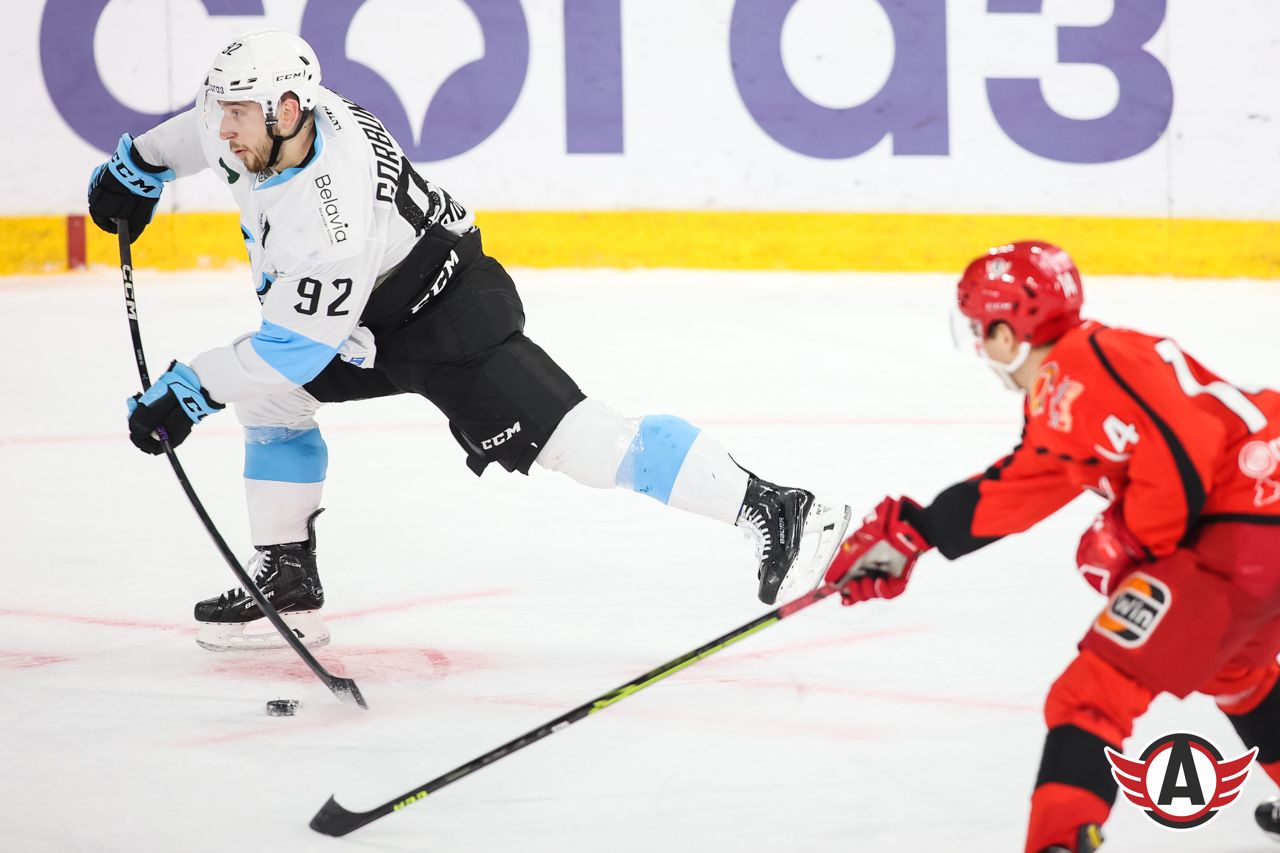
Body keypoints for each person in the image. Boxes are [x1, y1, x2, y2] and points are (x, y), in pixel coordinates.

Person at [87, 29, 849, 652]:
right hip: (366, 321)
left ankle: (778, 507)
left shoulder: (331, 215)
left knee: (589, 446)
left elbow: (295, 349)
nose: (224, 129)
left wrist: (189, 390)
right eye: (222, 110)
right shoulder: (269, 121)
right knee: (271, 401)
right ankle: (288, 579)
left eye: (237, 115)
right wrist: (140, 164)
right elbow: (198, 133)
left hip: (447, 315)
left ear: (287, 110)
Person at [823, 241, 1280, 852]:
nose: (981, 347)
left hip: (1247, 524)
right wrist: (918, 532)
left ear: (1007, 332)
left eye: (981, 331)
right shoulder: (1075, 377)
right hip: (1258, 510)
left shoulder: (1082, 369)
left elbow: (1185, 447)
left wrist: (1135, 539)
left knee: (1091, 696)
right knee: (1236, 671)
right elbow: (1026, 481)